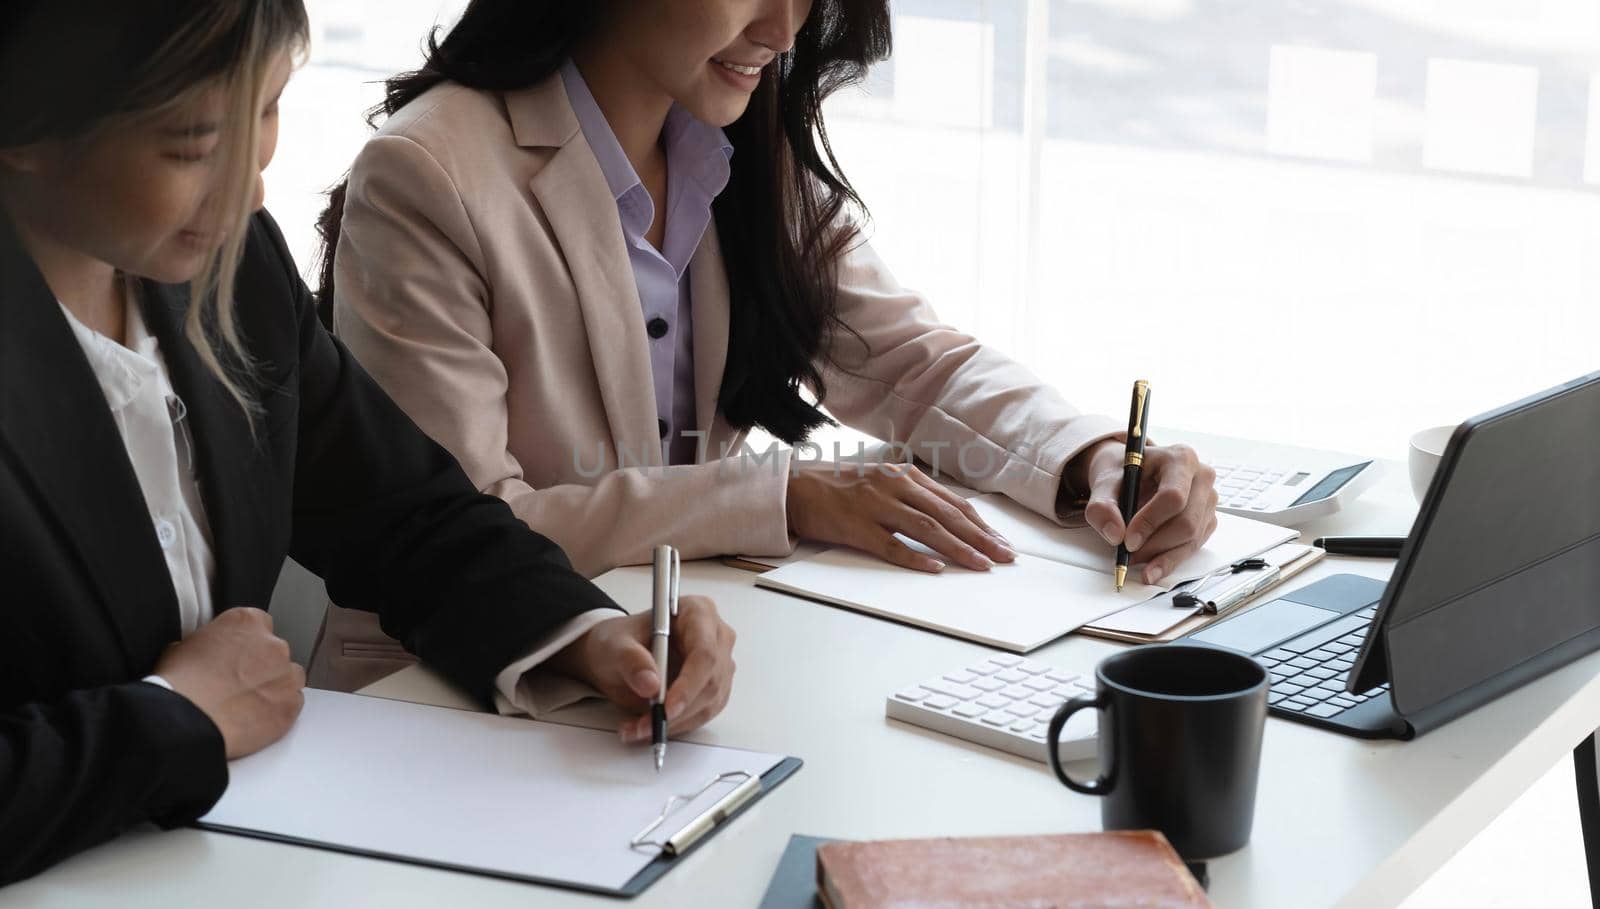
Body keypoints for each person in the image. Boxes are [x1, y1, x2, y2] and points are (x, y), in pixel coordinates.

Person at [0, 0, 735, 884]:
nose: (247, 190)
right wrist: (172, 718)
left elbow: (399, 511)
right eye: (192, 145)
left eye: (268, 110)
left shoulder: (229, 270)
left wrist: (583, 634)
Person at [313, 0, 1219, 690]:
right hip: (449, 697)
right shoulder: (427, 175)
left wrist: (1094, 456)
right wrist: (782, 494)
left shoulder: (731, 151)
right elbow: (464, 530)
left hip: (676, 672)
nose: (786, 29)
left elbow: (911, 364)